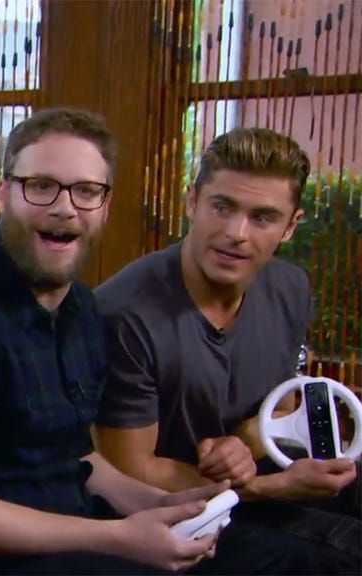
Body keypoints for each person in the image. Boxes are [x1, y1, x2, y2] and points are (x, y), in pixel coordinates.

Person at [0, 107, 241, 575]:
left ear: (104, 206)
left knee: (274, 555)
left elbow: (77, 458)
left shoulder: (82, 308)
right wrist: (119, 538)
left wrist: (160, 504)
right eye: (42, 185)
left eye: (86, 191)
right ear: (3, 194)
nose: (64, 207)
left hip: (78, 543)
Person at [93, 126, 361, 574]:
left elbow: (282, 407)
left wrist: (245, 442)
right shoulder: (123, 313)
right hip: (171, 516)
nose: (236, 233)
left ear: (291, 225)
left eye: (262, 218)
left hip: (253, 477)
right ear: (192, 201)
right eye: (222, 207)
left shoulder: (290, 286)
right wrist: (274, 487)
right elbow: (131, 473)